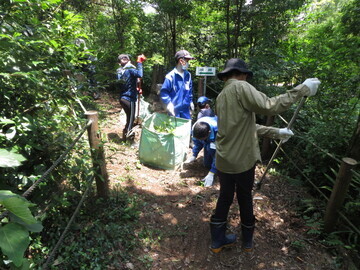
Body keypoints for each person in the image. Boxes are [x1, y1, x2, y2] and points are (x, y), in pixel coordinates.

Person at [209, 58, 320, 254]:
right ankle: (248, 242)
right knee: (244, 197)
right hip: (242, 160)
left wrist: (276, 132)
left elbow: (244, 127)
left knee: (225, 197)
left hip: (224, 159)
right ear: (242, 74)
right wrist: (302, 89)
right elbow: (269, 105)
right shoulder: (241, 87)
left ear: (226, 75)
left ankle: (217, 241)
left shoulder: (221, 96)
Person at [116, 53, 146, 140]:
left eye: (125, 57)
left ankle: (126, 136)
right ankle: (128, 138)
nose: (124, 58)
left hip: (123, 98)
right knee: (131, 119)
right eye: (122, 58)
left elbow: (127, 83)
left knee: (129, 118)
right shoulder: (130, 69)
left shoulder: (120, 71)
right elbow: (140, 74)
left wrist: (136, 89)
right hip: (129, 99)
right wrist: (139, 62)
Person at [160, 50, 195, 119]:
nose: (188, 64)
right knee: (174, 129)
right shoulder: (170, 76)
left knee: (186, 128)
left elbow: (189, 91)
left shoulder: (188, 75)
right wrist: (169, 104)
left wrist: (190, 102)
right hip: (174, 110)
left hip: (185, 111)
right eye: (187, 61)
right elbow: (164, 92)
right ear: (181, 61)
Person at [189, 116, 218, 187]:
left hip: (214, 140)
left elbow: (217, 156)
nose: (201, 140)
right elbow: (197, 143)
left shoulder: (217, 131)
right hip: (208, 138)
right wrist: (194, 155)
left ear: (209, 133)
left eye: (203, 139)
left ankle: (216, 170)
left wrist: (212, 173)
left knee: (212, 150)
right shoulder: (195, 129)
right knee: (207, 164)